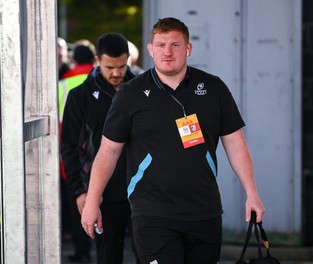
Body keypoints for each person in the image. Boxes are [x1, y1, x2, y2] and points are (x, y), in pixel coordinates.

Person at [81, 17, 265, 264]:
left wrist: (252, 193)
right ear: (150, 50)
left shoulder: (213, 88)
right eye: (160, 45)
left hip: (205, 212)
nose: (167, 52)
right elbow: (108, 151)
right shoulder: (131, 94)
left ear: (188, 49)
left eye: (175, 45)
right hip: (152, 214)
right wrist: (93, 201)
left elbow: (235, 142)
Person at [61, 32, 138, 264]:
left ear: (128, 61)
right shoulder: (79, 96)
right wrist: (80, 191)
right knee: (108, 258)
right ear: (97, 61)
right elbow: (70, 147)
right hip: (103, 194)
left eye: (122, 66)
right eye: (109, 67)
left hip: (143, 192)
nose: (116, 73)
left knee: (150, 256)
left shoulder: (142, 90)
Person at [59, 44, 95, 263]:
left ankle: (82, 252)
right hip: (100, 153)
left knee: (78, 206)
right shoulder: (102, 79)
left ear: (73, 60)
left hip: (72, 157)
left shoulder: (62, 85)